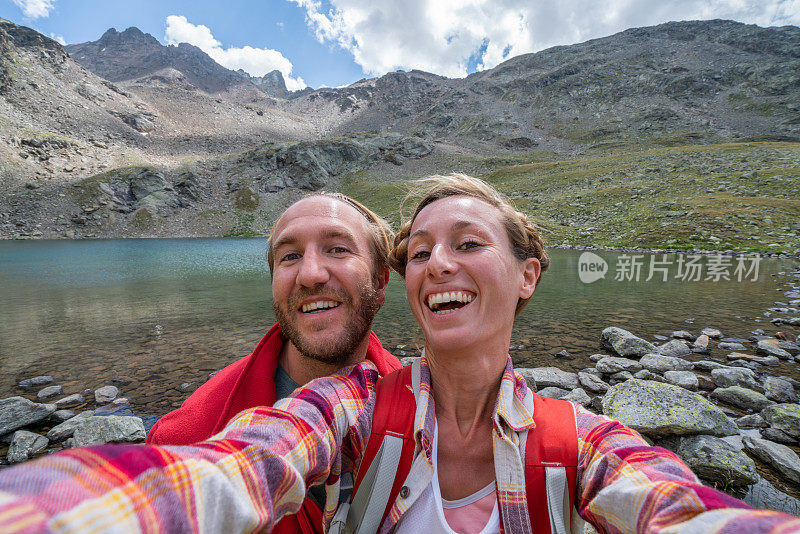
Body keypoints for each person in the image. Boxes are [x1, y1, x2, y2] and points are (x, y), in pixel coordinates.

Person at [0, 174, 798, 534]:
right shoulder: (348, 407)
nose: (439, 264)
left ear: (529, 276)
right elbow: (233, 468)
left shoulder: (576, 442)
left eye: (467, 244)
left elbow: (674, 504)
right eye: (422, 250)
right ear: (406, 278)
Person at [147, 192, 402, 533]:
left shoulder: (425, 410)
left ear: (380, 281)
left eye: (338, 249)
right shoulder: (184, 441)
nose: (310, 274)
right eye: (290, 256)